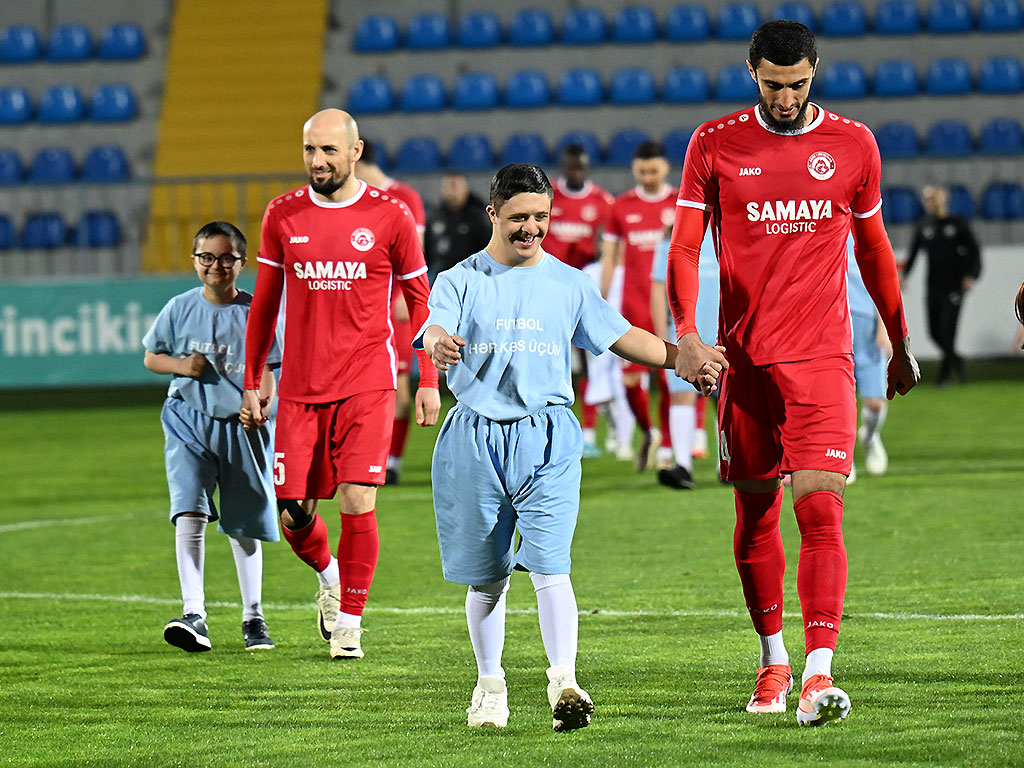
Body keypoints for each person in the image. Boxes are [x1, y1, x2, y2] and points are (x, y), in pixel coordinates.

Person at [667, 20, 920, 726]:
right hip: (742, 361)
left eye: (798, 84)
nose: (785, 98)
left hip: (822, 357)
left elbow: (874, 248)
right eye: (774, 85)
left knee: (820, 507)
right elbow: (684, 247)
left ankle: (818, 673)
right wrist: (686, 335)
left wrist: (899, 340)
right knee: (756, 514)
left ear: (815, 73)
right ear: (752, 72)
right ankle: (772, 660)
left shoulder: (853, 143)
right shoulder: (713, 143)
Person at [415, 164, 693, 732]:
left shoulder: (570, 283)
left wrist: (679, 357)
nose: (531, 229)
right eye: (519, 217)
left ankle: (564, 681)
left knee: (550, 563)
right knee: (487, 578)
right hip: (475, 438)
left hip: (547, 438)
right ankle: (489, 685)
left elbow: (621, 336)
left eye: (541, 217)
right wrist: (438, 344)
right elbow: (436, 327)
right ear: (493, 214)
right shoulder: (460, 280)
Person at [241, 109, 441, 661]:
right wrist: (252, 379)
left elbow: (421, 302)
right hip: (300, 387)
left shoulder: (391, 215)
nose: (318, 160)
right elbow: (264, 306)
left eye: (329, 150)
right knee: (293, 513)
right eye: (310, 149)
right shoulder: (282, 214)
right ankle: (330, 576)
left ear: (356, 152)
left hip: (367, 382)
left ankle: (350, 622)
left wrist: (428, 378)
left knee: (357, 498)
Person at [143, 221, 280, 653]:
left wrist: (261, 405)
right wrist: (182, 366)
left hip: (241, 426)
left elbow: (271, 367)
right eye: (206, 257)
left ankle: (253, 616)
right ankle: (194, 612)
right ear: (194, 260)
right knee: (189, 510)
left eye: (225, 258)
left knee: (243, 522)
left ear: (242, 262)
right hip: (187, 419)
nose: (215, 266)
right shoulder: (179, 307)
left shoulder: (257, 312)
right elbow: (152, 356)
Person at [601, 141, 679, 471]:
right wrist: (601, 300)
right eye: (642, 171)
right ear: (635, 170)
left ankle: (670, 448)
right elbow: (608, 258)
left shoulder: (680, 203)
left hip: (671, 307)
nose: (648, 177)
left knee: (670, 378)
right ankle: (649, 432)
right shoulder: (620, 207)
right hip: (632, 307)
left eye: (653, 170)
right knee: (630, 382)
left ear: (665, 168)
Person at [547, 143, 628, 458]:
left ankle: (594, 430)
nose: (575, 172)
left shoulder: (603, 203)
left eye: (580, 167)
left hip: (587, 290)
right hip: (550, 291)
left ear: (587, 167)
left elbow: (613, 248)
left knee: (593, 361)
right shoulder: (548, 197)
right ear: (563, 167)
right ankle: (557, 428)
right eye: (571, 167)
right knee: (558, 363)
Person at [355, 139, 427, 485]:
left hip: (394, 309)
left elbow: (415, 252)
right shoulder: (354, 200)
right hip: (363, 308)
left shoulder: (404, 197)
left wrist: (404, 294)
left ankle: (392, 462)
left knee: (398, 389)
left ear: (357, 160)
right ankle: (365, 459)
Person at [651, 225, 720, 489]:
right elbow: (658, 288)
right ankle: (682, 465)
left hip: (724, 330)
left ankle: (727, 464)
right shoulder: (673, 235)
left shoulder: (730, 230)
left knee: (727, 399)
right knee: (682, 393)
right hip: (685, 332)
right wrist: (662, 338)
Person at [903, 184, 981, 386]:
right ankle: (957, 359)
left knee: (948, 332)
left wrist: (971, 276)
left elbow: (974, 252)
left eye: (932, 198)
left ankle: (944, 376)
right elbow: (913, 254)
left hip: (954, 285)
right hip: (933, 286)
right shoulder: (924, 226)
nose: (929, 202)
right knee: (933, 332)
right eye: (926, 199)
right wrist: (904, 276)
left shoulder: (957, 224)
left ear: (943, 199)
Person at [847, 236, 891, 479]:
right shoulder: (817, 230)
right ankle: (843, 456)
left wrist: (885, 327)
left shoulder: (866, 235)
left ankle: (871, 436)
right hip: (833, 324)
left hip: (867, 328)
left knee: (875, 402)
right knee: (839, 398)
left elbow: (883, 281)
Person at [424, 173, 491, 277]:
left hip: (472, 277)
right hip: (443, 277)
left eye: (456, 186)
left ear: (465, 188)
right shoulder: (434, 218)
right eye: (449, 186)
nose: (453, 192)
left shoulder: (479, 218)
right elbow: (427, 253)